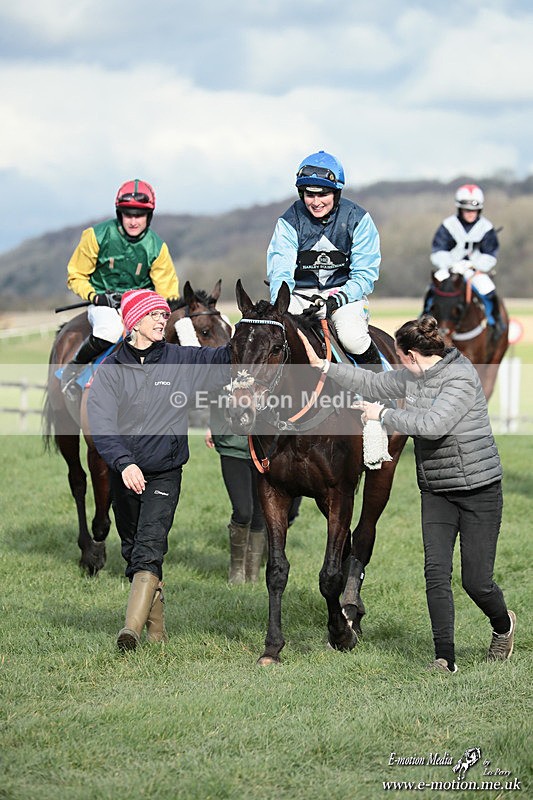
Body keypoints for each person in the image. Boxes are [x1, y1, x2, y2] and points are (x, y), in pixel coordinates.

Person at [298, 315, 516, 672]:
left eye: (401, 357)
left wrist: (381, 415)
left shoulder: (460, 378)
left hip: (479, 490)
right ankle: (444, 658)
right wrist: (324, 367)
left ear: (413, 355)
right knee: (435, 573)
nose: (399, 364)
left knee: (476, 582)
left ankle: (503, 625)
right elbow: (371, 380)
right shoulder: (412, 377)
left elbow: (433, 425)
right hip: (436, 491)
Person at [86, 289, 230, 651]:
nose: (162, 320)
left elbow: (224, 357)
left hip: (165, 472)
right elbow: (102, 425)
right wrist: (123, 462)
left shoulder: (179, 358)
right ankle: (157, 631)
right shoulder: (111, 369)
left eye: (164, 315)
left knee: (150, 547)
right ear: (134, 321)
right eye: (154, 315)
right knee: (133, 550)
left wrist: (251, 329)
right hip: (125, 474)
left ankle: (130, 631)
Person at [63, 179, 180, 397]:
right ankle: (73, 370)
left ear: (149, 216)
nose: (133, 221)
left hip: (140, 308)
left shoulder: (157, 246)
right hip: (104, 304)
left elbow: (167, 291)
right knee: (110, 330)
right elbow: (76, 274)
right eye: (128, 214)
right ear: (119, 213)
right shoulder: (96, 235)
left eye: (140, 214)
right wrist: (94, 296)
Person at [267, 150, 382, 365]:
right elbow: (280, 271)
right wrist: (280, 304)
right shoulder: (288, 222)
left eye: (323, 194)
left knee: (352, 339)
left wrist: (332, 303)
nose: (316, 202)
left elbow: (364, 276)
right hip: (298, 295)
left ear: (336, 193)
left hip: (343, 295)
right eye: (310, 194)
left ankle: (385, 388)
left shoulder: (359, 219)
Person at [428, 183, 504, 335]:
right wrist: (451, 264)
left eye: (474, 210)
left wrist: (473, 265)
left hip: (474, 270)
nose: (471, 213)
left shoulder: (486, 227)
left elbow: (490, 254)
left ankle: (494, 322)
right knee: (433, 289)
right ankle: (425, 319)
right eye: (467, 210)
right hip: (450, 269)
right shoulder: (448, 225)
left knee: (488, 290)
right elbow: (438, 250)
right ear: (459, 208)